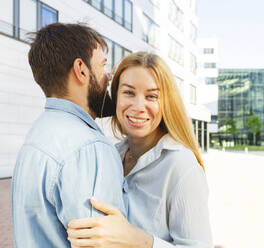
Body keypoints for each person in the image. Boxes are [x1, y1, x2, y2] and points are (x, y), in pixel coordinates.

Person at [67, 52, 213, 247]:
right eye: (128, 92)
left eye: (151, 96)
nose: (138, 106)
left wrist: (138, 240)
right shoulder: (111, 156)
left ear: (166, 103)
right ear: (116, 96)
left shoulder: (181, 166)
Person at [11, 23, 131, 247]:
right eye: (103, 66)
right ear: (81, 70)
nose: (109, 77)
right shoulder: (89, 148)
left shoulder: (37, 135)